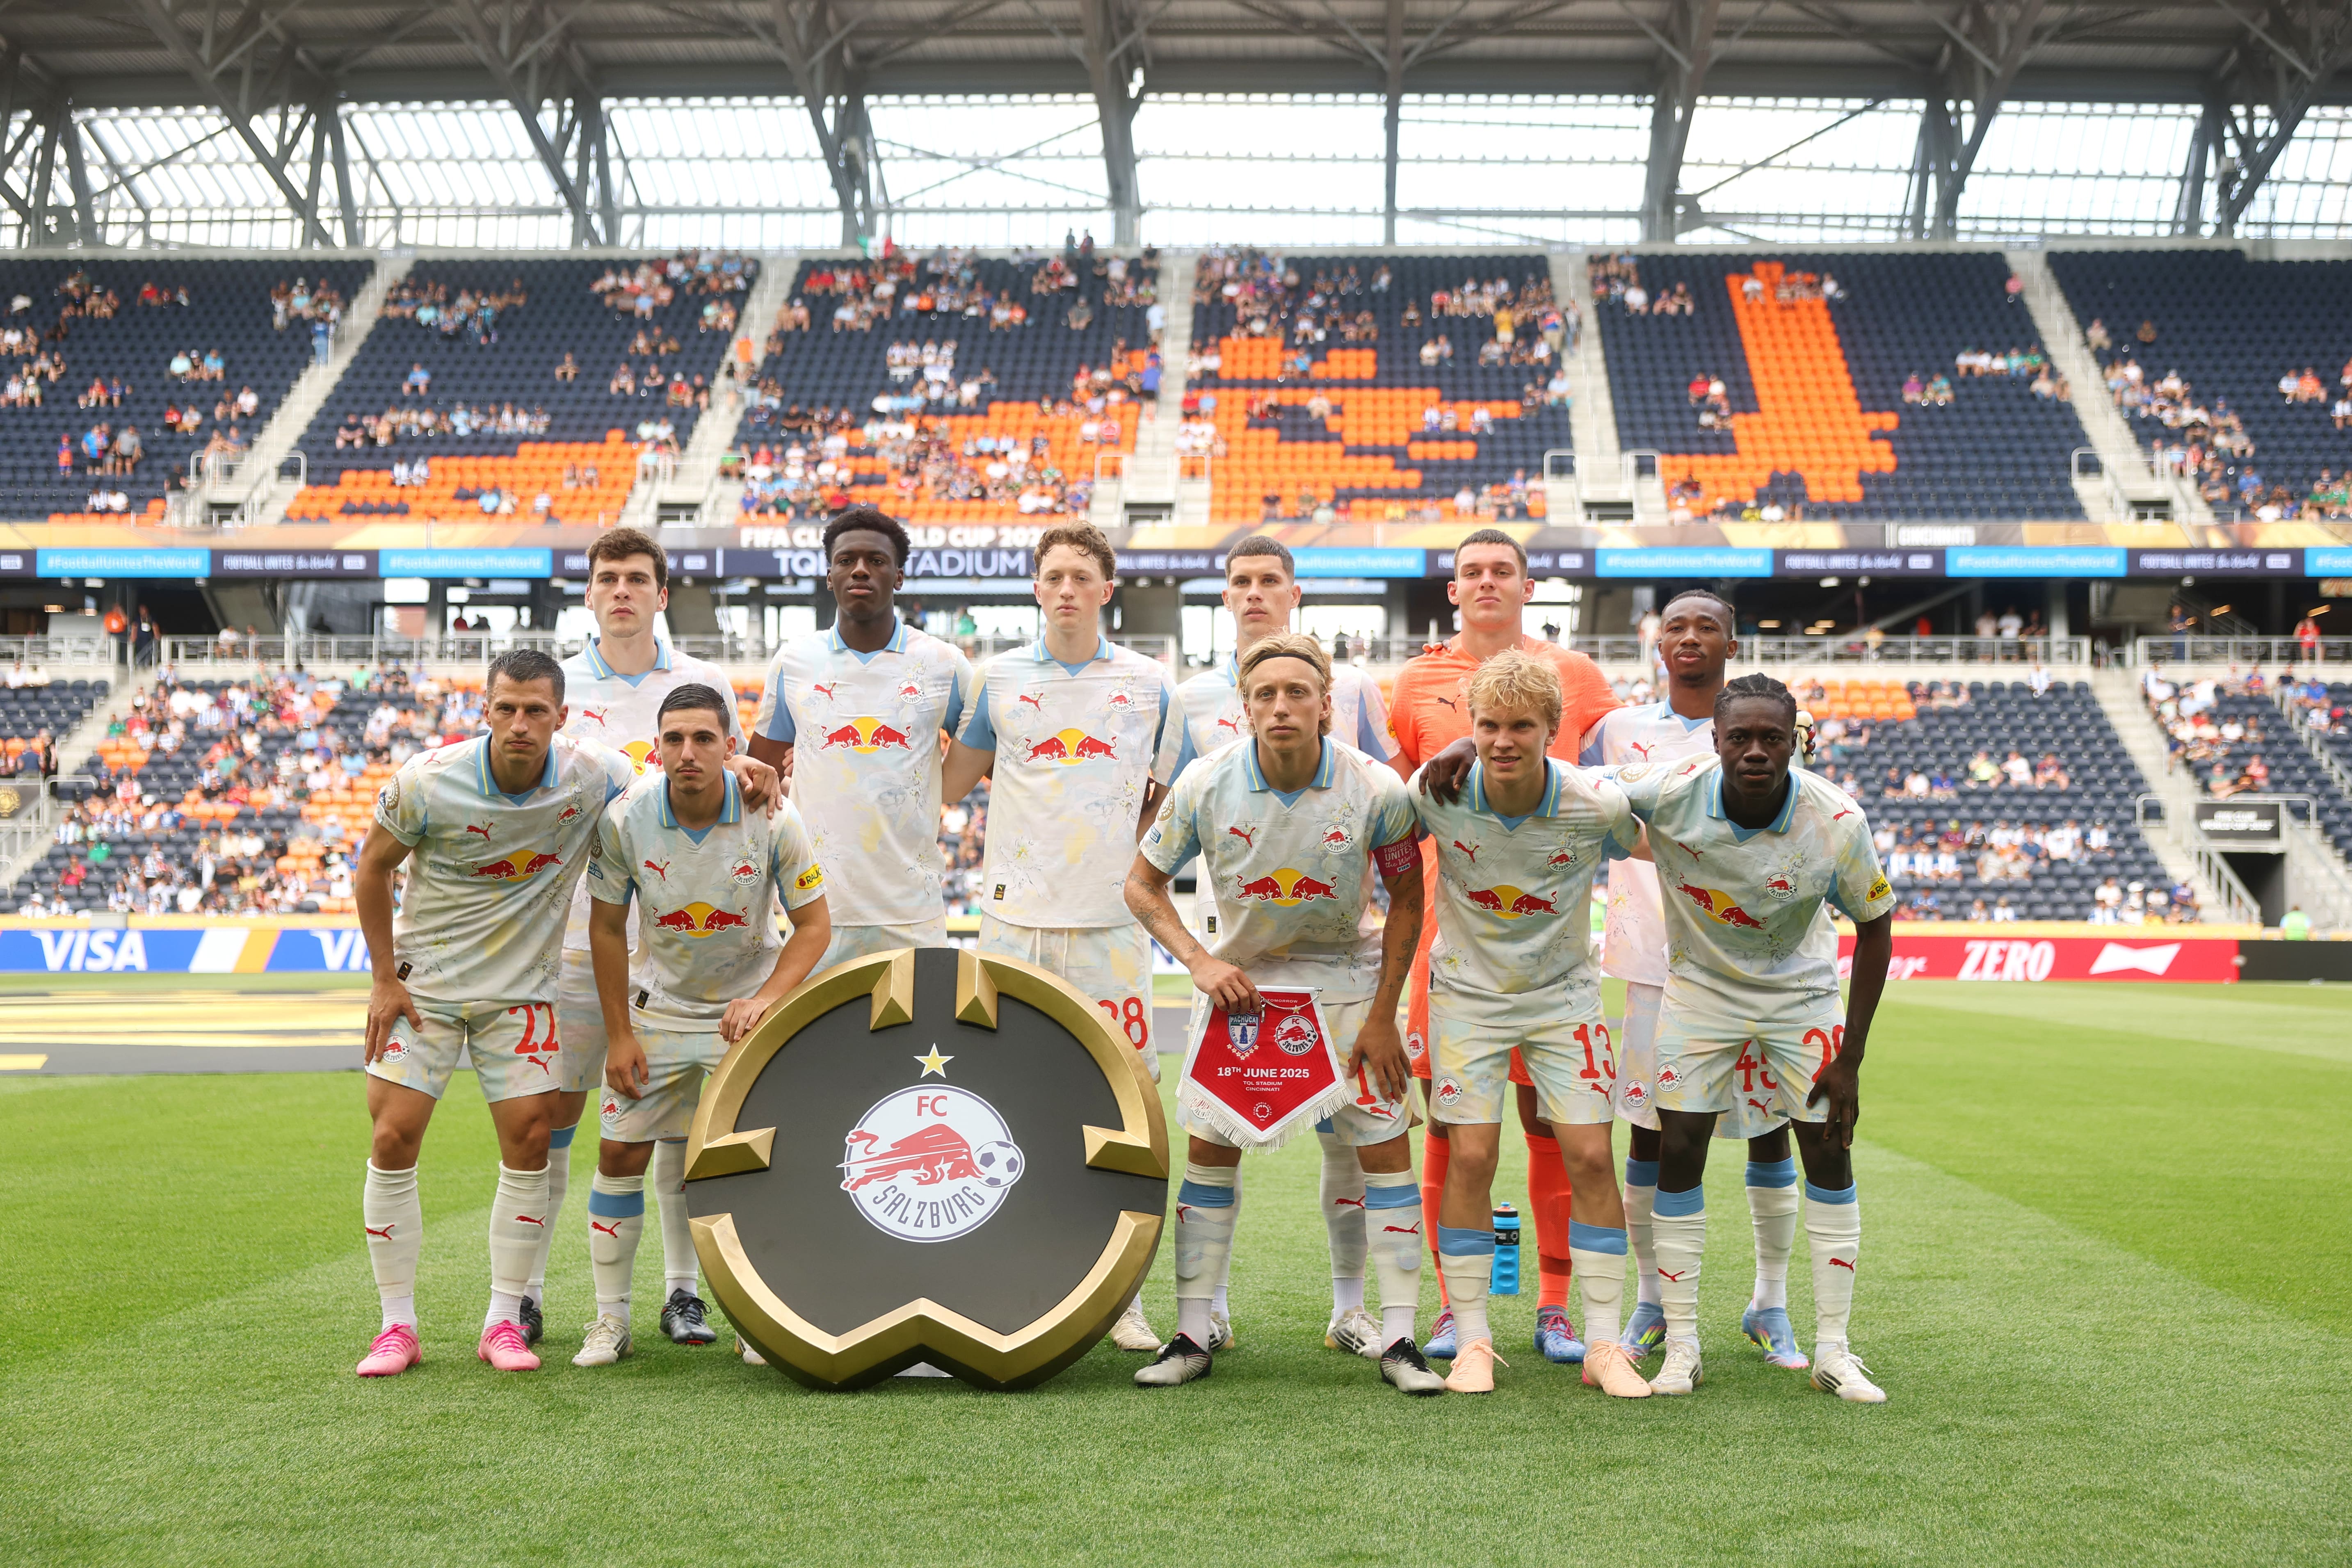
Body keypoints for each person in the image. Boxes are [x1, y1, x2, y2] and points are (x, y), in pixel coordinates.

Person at [349, 651, 774, 1378]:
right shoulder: (426, 779)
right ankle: (396, 1325)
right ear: (484, 709)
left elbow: (675, 777)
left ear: (560, 717)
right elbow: (372, 868)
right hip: (424, 991)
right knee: (392, 1135)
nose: (520, 724)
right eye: (506, 708)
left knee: (530, 1142)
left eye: (535, 711)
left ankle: (501, 1320)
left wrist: (742, 769)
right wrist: (384, 977)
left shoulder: (593, 772)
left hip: (521, 995)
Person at [1124, 633, 1443, 1394]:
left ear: (1325, 702)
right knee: (1209, 1157)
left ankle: (1400, 1338)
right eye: (1264, 694)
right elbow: (1140, 883)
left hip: (1347, 989)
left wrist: (1382, 1014)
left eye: (1296, 692)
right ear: (1245, 707)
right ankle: (1192, 1332)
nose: (1280, 706)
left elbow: (1406, 897)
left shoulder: (1375, 787)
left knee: (1385, 1159)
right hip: (1246, 992)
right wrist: (1198, 962)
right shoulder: (1205, 782)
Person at [1610, 673, 1896, 1402]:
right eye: (1739, 736)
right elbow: (1573, 787)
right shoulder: (1666, 788)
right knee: (1676, 1147)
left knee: (1827, 1147)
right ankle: (1680, 1347)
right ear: (1714, 741)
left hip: (1797, 991)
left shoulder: (1834, 818)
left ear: (1794, 740)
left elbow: (1874, 923)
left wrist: (1851, 1058)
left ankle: (1833, 1347)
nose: (1755, 751)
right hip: (1699, 990)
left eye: (1772, 736)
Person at [942, 523, 1191, 1353]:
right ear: (1035, 588)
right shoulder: (999, 678)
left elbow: (1164, 809)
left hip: (1112, 928)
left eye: (1082, 576)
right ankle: (1005, 1276)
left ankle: (1123, 1297)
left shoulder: (1152, 683)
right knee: (1002, 1106)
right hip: (1012, 923)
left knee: (1125, 1108)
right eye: (1052, 576)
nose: (1066, 589)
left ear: (1106, 588)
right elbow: (951, 783)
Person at [1570, 592, 1821, 1370]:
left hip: (1763, 961)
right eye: (1673, 626)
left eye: (1704, 625)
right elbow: (1579, 812)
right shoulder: (1616, 730)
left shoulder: (1776, 723)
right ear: (1655, 642)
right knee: (1651, 1132)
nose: (1687, 637)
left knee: (1770, 1127)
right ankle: (1652, 1297)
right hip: (1654, 959)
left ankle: (1768, 1302)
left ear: (1729, 640)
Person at [1389, 530, 1619, 1365]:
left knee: (1553, 1122)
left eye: (1501, 571)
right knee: (1455, 1128)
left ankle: (1557, 1307)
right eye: (1470, 572)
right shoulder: (1413, 680)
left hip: (1550, 944)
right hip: (1455, 944)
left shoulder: (1582, 678)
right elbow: (1393, 800)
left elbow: (1607, 794)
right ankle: (1457, 1311)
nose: (1486, 582)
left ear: (1527, 586)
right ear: (1451, 590)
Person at [1172, 533, 1402, 1360]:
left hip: (1341, 960)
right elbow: (1163, 817)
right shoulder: (1190, 697)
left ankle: (1352, 1309)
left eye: (1270, 578)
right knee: (1213, 1139)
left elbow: (1389, 801)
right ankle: (1206, 1313)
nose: (1255, 591)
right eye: (1241, 580)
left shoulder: (1358, 694)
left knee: (1351, 1141)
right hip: (1242, 958)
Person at [1408, 651, 1651, 1399]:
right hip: (1467, 998)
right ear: (1468, 727)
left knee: (1587, 1154)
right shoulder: (1436, 792)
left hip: (1562, 997)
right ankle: (1472, 1338)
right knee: (1471, 1154)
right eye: (1486, 725)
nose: (1502, 740)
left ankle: (1604, 1343)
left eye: (1521, 725)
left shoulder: (1593, 803)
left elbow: (1655, 838)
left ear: (1553, 729)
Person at [575, 685, 831, 1367]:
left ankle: (757, 1315)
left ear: (730, 745)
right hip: (656, 1009)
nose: (687, 753)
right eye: (674, 739)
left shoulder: (775, 818)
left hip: (742, 1015)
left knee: (753, 1161)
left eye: (703, 738)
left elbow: (814, 926)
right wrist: (619, 1033)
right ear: (656, 747)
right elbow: (604, 927)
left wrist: (768, 998)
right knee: (620, 1155)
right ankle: (611, 1321)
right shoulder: (626, 818)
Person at [540, 528, 744, 1351]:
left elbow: (732, 788)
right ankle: (520, 1294)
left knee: (676, 1127)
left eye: (636, 578)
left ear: (662, 594)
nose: (620, 590)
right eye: (606, 578)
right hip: (573, 940)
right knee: (547, 1122)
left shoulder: (703, 683)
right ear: (589, 594)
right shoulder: (557, 687)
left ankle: (682, 1293)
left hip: (672, 954)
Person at [749, 506, 977, 965]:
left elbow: (989, 760)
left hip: (912, 910)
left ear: (898, 576)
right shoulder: (793, 663)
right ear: (830, 574)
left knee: (918, 1040)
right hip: (816, 912)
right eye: (846, 560)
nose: (860, 569)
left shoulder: (944, 664)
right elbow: (759, 778)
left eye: (876, 561)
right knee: (821, 1038)